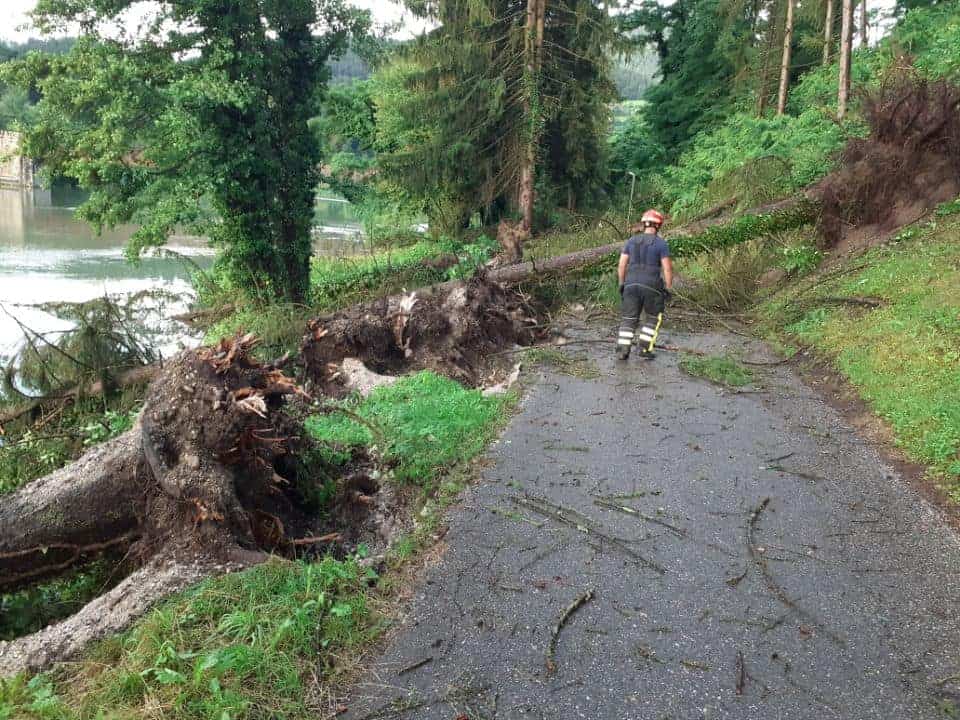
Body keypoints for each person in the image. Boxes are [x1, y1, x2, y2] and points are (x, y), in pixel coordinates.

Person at [616, 209, 673, 361]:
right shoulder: (661, 244)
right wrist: (668, 287)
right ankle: (644, 347)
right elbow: (667, 268)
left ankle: (623, 350)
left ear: (643, 224)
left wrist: (622, 283)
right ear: (658, 225)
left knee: (629, 318)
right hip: (651, 285)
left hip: (630, 283)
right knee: (653, 317)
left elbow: (621, 265)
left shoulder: (631, 241)